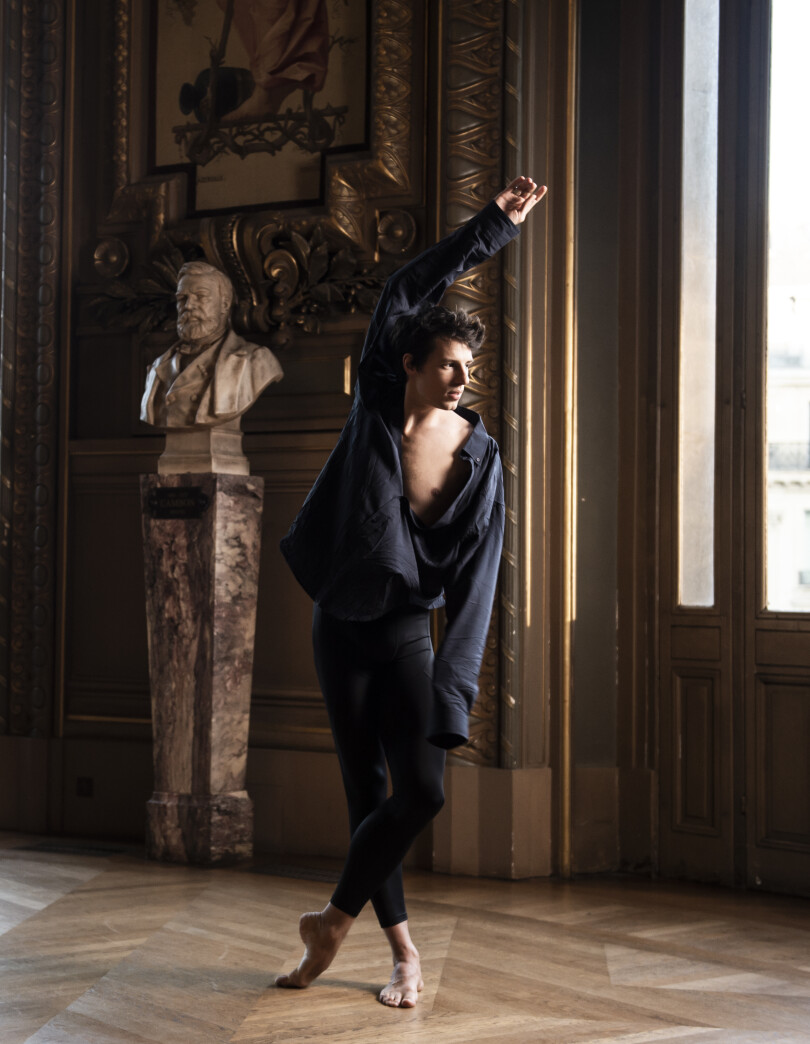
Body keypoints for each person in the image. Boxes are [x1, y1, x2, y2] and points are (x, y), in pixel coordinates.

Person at [277, 176, 547, 1007]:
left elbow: (477, 578)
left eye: (470, 368)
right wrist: (487, 231)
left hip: (403, 633)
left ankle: (330, 921)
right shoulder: (376, 409)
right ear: (410, 365)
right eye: (449, 365)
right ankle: (403, 956)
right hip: (338, 623)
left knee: (421, 792)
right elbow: (404, 288)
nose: (463, 379)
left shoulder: (482, 459)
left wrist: (453, 689)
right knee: (368, 794)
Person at [140, 261, 283, 429]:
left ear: (224, 304)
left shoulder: (255, 359)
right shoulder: (159, 366)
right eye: (182, 298)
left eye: (200, 296)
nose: (188, 306)